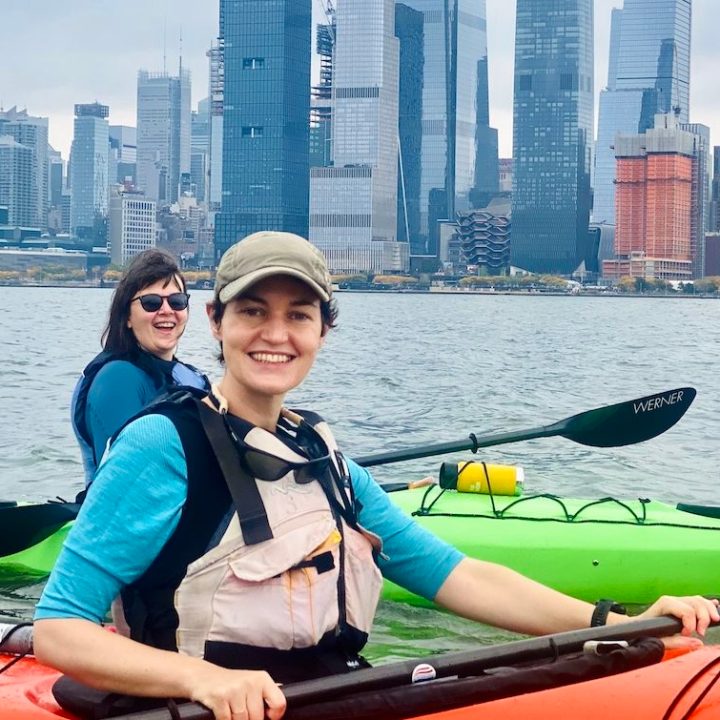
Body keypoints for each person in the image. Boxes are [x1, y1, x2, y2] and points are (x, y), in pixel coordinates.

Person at [35, 231, 719, 720]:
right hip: (203, 708)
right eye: (252, 312)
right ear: (216, 323)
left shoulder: (324, 455)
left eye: (298, 315)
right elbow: (63, 629)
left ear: (323, 332)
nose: (276, 334)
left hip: (326, 694)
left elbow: (455, 575)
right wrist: (202, 681)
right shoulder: (161, 445)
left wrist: (614, 622)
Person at [71, 248, 209, 485]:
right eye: (151, 303)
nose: (167, 311)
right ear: (126, 316)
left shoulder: (191, 377)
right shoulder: (118, 379)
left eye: (177, 302)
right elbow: (131, 481)